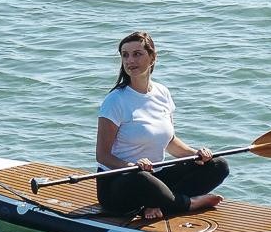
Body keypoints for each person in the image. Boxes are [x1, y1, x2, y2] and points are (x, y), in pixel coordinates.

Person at [95, 31, 229, 219]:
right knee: (142, 179)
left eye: (137, 54)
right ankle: (188, 203)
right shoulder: (115, 101)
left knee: (218, 165)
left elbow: (170, 141)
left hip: (156, 177)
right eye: (125, 55)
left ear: (152, 57)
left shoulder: (162, 92)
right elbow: (102, 155)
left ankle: (155, 203)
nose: (129, 60)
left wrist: (196, 155)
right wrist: (132, 165)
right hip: (121, 183)